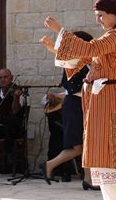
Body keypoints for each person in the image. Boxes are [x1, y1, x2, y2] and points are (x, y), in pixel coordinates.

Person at [40, 0, 116, 200]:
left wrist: (60, 30)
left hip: (109, 95)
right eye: (97, 16)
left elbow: (89, 49)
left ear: (115, 14)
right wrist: (56, 49)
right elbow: (86, 59)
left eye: (101, 15)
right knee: (99, 147)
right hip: (100, 96)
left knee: (109, 146)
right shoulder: (113, 36)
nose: (99, 20)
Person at [39, 31, 100, 190]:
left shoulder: (84, 61)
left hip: (81, 104)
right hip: (75, 104)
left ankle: (88, 178)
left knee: (86, 144)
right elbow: (74, 88)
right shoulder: (75, 62)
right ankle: (49, 165)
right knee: (78, 147)